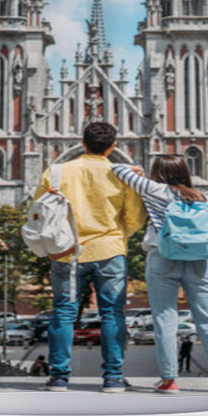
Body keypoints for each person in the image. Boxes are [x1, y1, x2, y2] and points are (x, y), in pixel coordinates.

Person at [111, 155, 208, 394]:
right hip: (199, 262)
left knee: (165, 319)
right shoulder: (203, 198)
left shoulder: (154, 189)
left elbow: (117, 169)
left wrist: (135, 169)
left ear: (158, 172)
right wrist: (196, 243)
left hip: (163, 258)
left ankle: (169, 380)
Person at [35, 122, 147, 393]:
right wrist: (117, 235)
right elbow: (134, 217)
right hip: (109, 251)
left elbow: (39, 210)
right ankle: (113, 378)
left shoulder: (58, 171)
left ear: (82, 143)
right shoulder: (122, 174)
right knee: (112, 313)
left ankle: (59, 377)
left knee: (63, 312)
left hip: (66, 251)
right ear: (113, 146)